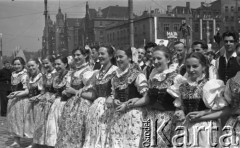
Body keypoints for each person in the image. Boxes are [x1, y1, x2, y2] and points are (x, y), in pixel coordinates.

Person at [168, 52, 227, 147]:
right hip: (187, 126)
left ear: (203, 67)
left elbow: (220, 109)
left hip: (205, 127)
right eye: (188, 66)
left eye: (195, 66)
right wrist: (180, 111)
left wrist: (204, 112)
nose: (191, 70)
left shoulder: (210, 86)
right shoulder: (182, 86)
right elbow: (181, 106)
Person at [105, 47, 148, 148]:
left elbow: (146, 98)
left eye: (121, 57)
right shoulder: (115, 76)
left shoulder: (137, 75)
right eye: (116, 57)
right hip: (118, 115)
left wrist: (129, 104)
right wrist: (114, 100)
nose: (118, 60)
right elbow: (113, 94)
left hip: (133, 115)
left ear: (129, 58)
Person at [56, 48, 94, 148]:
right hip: (71, 104)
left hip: (83, 106)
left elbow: (92, 95)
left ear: (85, 55)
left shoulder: (88, 72)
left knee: (79, 130)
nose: (76, 57)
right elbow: (69, 90)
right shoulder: (72, 72)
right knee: (68, 129)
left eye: (78, 55)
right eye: (74, 55)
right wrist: (67, 92)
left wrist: (74, 92)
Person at [83, 46, 118, 148]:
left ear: (111, 56)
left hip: (109, 107)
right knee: (94, 132)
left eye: (103, 54)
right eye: (99, 54)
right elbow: (93, 93)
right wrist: (79, 92)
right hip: (96, 107)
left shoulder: (116, 71)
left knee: (105, 133)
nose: (100, 56)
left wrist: (112, 96)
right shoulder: (97, 73)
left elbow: (120, 89)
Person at [145, 46, 178, 147]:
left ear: (168, 59)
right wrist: (131, 102)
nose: (155, 61)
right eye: (154, 59)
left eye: (159, 58)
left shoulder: (176, 77)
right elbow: (147, 99)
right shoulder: (152, 77)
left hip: (167, 119)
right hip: (151, 117)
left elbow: (180, 102)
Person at [45, 56, 71, 147]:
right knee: (53, 126)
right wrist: (54, 95)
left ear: (65, 64)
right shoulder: (56, 77)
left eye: (59, 64)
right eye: (55, 64)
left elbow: (73, 90)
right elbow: (57, 91)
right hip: (56, 104)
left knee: (63, 127)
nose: (56, 66)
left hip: (66, 104)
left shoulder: (70, 75)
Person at [33, 56, 56, 147]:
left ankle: (52, 142)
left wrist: (54, 96)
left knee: (51, 121)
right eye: (44, 63)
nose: (45, 65)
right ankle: (42, 141)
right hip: (44, 99)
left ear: (52, 63)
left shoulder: (57, 73)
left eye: (47, 63)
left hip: (54, 99)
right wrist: (38, 96)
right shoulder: (44, 75)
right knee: (42, 120)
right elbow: (43, 89)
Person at [7, 57, 29, 147]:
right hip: (13, 100)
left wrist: (16, 94)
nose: (16, 66)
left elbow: (27, 90)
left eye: (19, 64)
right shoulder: (13, 74)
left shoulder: (24, 75)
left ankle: (31, 142)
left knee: (22, 120)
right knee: (14, 120)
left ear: (23, 64)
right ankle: (16, 141)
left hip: (22, 100)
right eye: (15, 64)